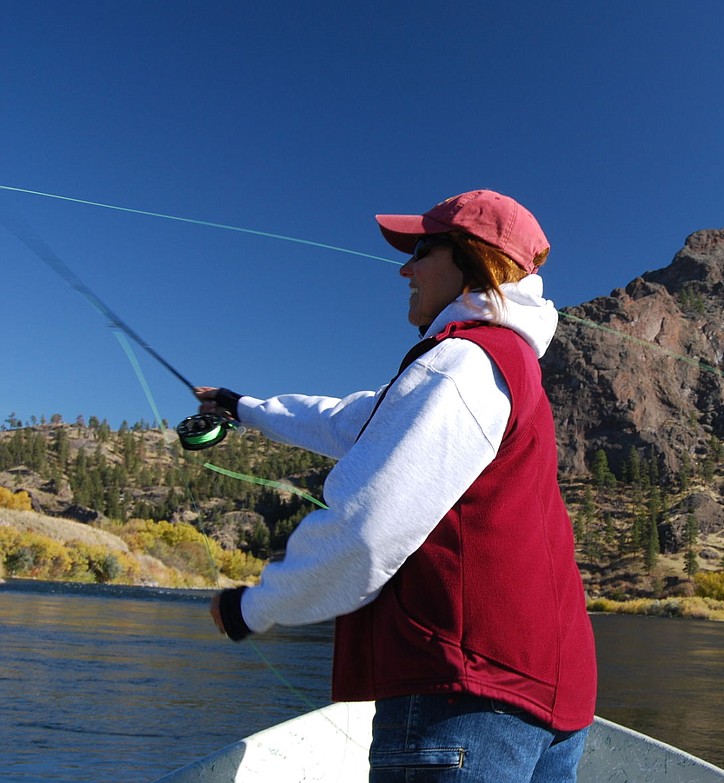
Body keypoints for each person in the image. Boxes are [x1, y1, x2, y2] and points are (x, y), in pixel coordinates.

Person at [197, 189, 597, 782]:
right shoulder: (500, 364)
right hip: (553, 697)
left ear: (471, 259)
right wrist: (245, 407)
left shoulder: (460, 363)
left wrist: (253, 607)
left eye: (422, 250)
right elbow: (348, 418)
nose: (406, 268)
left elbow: (364, 531)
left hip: (460, 703)